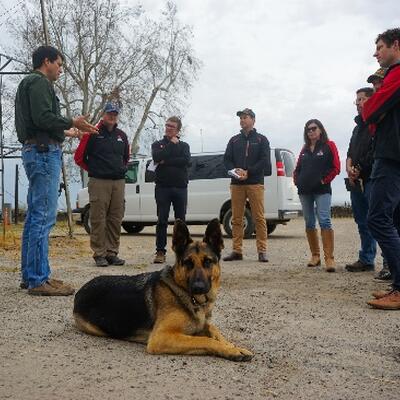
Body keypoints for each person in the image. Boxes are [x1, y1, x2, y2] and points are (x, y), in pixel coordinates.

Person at [15, 45, 98, 296]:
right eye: (59, 64)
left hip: (34, 150)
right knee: (43, 217)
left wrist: (65, 131)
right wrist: (71, 121)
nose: (61, 69)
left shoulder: (27, 84)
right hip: (43, 154)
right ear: (47, 61)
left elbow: (38, 121)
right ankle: (39, 279)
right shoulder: (39, 82)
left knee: (34, 218)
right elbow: (42, 117)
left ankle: (31, 276)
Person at [363, 28, 400, 309]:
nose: (376, 53)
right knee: (394, 220)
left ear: (395, 45)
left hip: (391, 158)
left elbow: (369, 111)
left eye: (380, 47)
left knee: (377, 218)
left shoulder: (396, 75)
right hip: (391, 156)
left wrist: (377, 107)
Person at [74, 102, 129, 267]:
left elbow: (126, 158)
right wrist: (95, 170)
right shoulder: (92, 133)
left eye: (115, 114)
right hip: (99, 181)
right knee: (98, 218)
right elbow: (79, 158)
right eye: (109, 113)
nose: (112, 116)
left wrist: (121, 169)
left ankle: (112, 252)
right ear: (103, 115)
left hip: (118, 182)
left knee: (115, 218)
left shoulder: (122, 135)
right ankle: (99, 253)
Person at [345, 87, 389, 273]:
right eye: (357, 100)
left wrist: (359, 168)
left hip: (372, 178)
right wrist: (349, 168)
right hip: (356, 181)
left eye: (362, 99)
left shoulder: (377, 123)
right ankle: (366, 259)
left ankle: (389, 262)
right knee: (362, 222)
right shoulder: (357, 128)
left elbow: (375, 151)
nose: (358, 103)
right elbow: (350, 152)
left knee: (380, 220)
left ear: (372, 100)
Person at [223, 108, 271, 263]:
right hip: (237, 184)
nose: (242, 120)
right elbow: (227, 159)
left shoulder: (262, 140)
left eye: (245, 117)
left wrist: (249, 172)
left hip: (255, 183)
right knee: (237, 218)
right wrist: (234, 170)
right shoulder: (234, 140)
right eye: (241, 118)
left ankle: (262, 251)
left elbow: (264, 160)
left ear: (253, 120)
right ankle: (237, 251)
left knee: (259, 218)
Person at [293, 119, 340, 272]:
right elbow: (297, 169)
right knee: (309, 221)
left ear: (320, 130)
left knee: (325, 220)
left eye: (314, 128)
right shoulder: (305, 149)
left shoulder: (329, 145)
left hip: (322, 190)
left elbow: (336, 167)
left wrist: (323, 180)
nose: (311, 131)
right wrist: (297, 181)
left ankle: (329, 258)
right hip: (305, 191)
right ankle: (315, 256)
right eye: (308, 130)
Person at [151, 116, 191, 264]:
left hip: (180, 188)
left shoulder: (184, 146)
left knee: (181, 221)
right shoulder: (158, 144)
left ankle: (183, 251)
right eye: (167, 125)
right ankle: (160, 251)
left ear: (178, 129)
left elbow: (186, 161)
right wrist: (170, 147)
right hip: (162, 188)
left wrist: (165, 161)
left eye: (172, 126)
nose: (168, 128)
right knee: (162, 220)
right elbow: (157, 157)